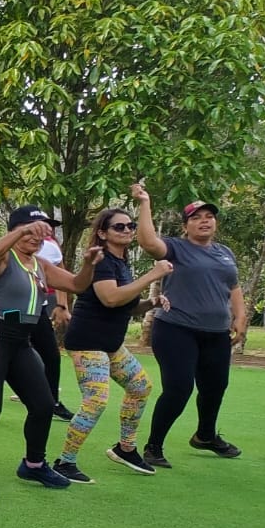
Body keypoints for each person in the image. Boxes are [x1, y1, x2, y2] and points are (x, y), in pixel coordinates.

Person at [0, 205, 101, 499]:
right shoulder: (3, 259)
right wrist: (22, 231)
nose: (38, 236)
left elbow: (76, 284)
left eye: (42, 231)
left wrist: (89, 264)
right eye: (33, 230)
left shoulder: (41, 265)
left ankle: (33, 464)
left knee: (44, 404)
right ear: (16, 230)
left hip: (20, 339)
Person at [53, 205, 171, 482]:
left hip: (110, 344)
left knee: (140, 387)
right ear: (102, 233)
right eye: (120, 226)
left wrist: (151, 302)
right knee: (95, 401)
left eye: (130, 226)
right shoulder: (103, 261)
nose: (128, 230)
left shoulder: (120, 262)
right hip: (88, 342)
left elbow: (125, 305)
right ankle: (64, 462)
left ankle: (125, 448)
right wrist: (152, 276)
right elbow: (110, 298)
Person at [135, 182, 248, 465]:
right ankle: (153, 447)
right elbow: (148, 242)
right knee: (179, 387)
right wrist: (145, 202)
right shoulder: (175, 248)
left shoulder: (225, 252)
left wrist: (241, 316)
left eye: (208, 216)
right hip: (176, 329)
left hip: (216, 333)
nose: (204, 221)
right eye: (196, 217)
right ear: (186, 226)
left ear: (215, 223)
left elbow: (232, 287)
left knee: (215, 386)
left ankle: (205, 437)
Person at [33, 230, 75, 421]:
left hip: (40, 308)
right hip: (10, 313)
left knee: (51, 356)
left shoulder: (51, 246)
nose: (45, 229)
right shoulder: (6, 248)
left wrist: (62, 306)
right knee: (8, 354)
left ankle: (53, 402)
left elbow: (65, 279)